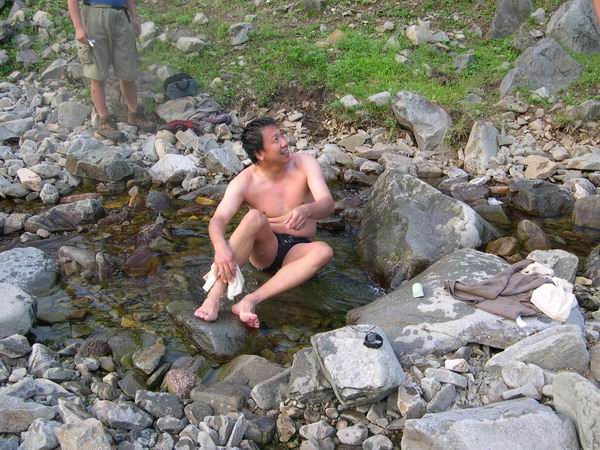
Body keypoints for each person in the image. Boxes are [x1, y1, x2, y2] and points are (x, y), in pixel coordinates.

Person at [194, 117, 334, 328]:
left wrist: (307, 210)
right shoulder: (244, 182)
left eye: (282, 135)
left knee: (324, 251)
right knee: (254, 217)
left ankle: (249, 301)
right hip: (265, 251)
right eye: (276, 140)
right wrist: (220, 247)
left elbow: (327, 203)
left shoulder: (305, 163)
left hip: (298, 250)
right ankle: (214, 297)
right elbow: (218, 220)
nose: (285, 142)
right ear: (260, 153)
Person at [67, 0, 153, 141]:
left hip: (121, 16)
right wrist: (78, 27)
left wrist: (134, 17)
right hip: (94, 15)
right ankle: (104, 120)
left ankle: (134, 113)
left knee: (128, 70)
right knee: (97, 72)